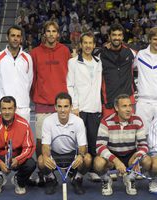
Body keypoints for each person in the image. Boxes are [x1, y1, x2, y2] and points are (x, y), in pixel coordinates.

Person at [30, 21, 70, 184]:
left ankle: (65, 169)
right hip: (42, 104)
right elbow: (31, 78)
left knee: (62, 140)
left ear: (58, 34)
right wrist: (37, 95)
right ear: (44, 34)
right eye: (49, 31)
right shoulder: (35, 53)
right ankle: (44, 170)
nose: (51, 34)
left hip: (61, 105)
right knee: (41, 141)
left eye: (54, 31)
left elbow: (69, 75)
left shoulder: (65, 51)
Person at [94, 94, 150, 196]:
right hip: (112, 156)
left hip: (130, 155)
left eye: (130, 106)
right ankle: (106, 180)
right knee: (98, 163)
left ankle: (130, 178)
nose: (129, 109)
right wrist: (115, 161)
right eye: (124, 106)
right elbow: (100, 146)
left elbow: (144, 145)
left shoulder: (137, 120)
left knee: (146, 160)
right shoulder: (106, 121)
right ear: (116, 108)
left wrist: (137, 157)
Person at [38, 92, 92, 195]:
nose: (63, 110)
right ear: (55, 107)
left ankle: (77, 178)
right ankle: (51, 179)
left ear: (71, 107)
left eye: (66, 106)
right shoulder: (48, 121)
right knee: (41, 160)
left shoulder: (78, 121)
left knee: (87, 159)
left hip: (72, 154)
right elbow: (45, 145)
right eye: (60, 106)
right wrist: (45, 156)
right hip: (55, 154)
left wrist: (80, 156)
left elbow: (82, 146)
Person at [0, 96, 36, 195]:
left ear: (15, 109)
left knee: (31, 164)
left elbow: (29, 147)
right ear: (0, 109)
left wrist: (18, 159)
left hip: (16, 158)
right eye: (4, 108)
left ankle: (18, 180)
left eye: (10, 108)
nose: (7, 112)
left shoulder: (23, 124)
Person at [67, 32, 102, 181]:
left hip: (95, 108)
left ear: (94, 46)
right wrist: (74, 106)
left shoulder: (98, 62)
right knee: (79, 143)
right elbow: (70, 84)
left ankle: (92, 169)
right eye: (85, 43)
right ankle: (75, 171)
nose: (88, 46)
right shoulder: (73, 62)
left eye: (91, 43)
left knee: (93, 142)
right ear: (80, 45)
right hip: (79, 109)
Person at [0, 25, 33, 122]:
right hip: (3, 108)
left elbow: (29, 81)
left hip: (22, 107)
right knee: (1, 137)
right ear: (7, 37)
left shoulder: (27, 58)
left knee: (22, 137)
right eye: (13, 35)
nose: (15, 38)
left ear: (21, 39)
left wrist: (22, 96)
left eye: (18, 36)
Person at [100, 23, 136, 117]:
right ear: (109, 36)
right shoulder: (101, 54)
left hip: (128, 100)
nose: (117, 38)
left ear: (123, 37)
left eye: (119, 35)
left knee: (129, 130)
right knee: (109, 130)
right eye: (114, 35)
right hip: (109, 101)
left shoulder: (131, 52)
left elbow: (150, 52)